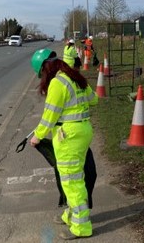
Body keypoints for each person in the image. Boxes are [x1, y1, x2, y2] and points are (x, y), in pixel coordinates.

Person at [30, 48, 98, 240]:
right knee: (76, 176)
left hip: (69, 137)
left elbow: (49, 116)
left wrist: (37, 137)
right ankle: (71, 215)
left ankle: (81, 227)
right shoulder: (74, 77)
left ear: (45, 68)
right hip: (83, 131)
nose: (42, 77)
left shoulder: (58, 83)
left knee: (71, 181)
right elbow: (94, 100)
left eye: (41, 73)